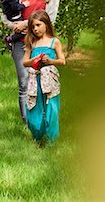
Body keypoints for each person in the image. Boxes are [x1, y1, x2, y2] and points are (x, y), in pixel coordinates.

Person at [1, 0, 60, 124]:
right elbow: (5, 14)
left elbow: (51, 19)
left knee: (44, 83)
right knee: (24, 83)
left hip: (42, 43)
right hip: (21, 43)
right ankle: (28, 124)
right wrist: (14, 27)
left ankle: (43, 120)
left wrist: (26, 24)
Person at [23, 10, 65, 144]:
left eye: (38, 25)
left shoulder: (54, 42)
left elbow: (62, 61)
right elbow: (25, 62)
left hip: (50, 81)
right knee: (35, 106)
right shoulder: (32, 42)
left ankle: (51, 139)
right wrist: (34, 60)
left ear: (46, 24)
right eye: (33, 27)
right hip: (35, 80)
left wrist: (50, 61)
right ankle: (38, 136)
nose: (35, 29)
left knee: (51, 108)